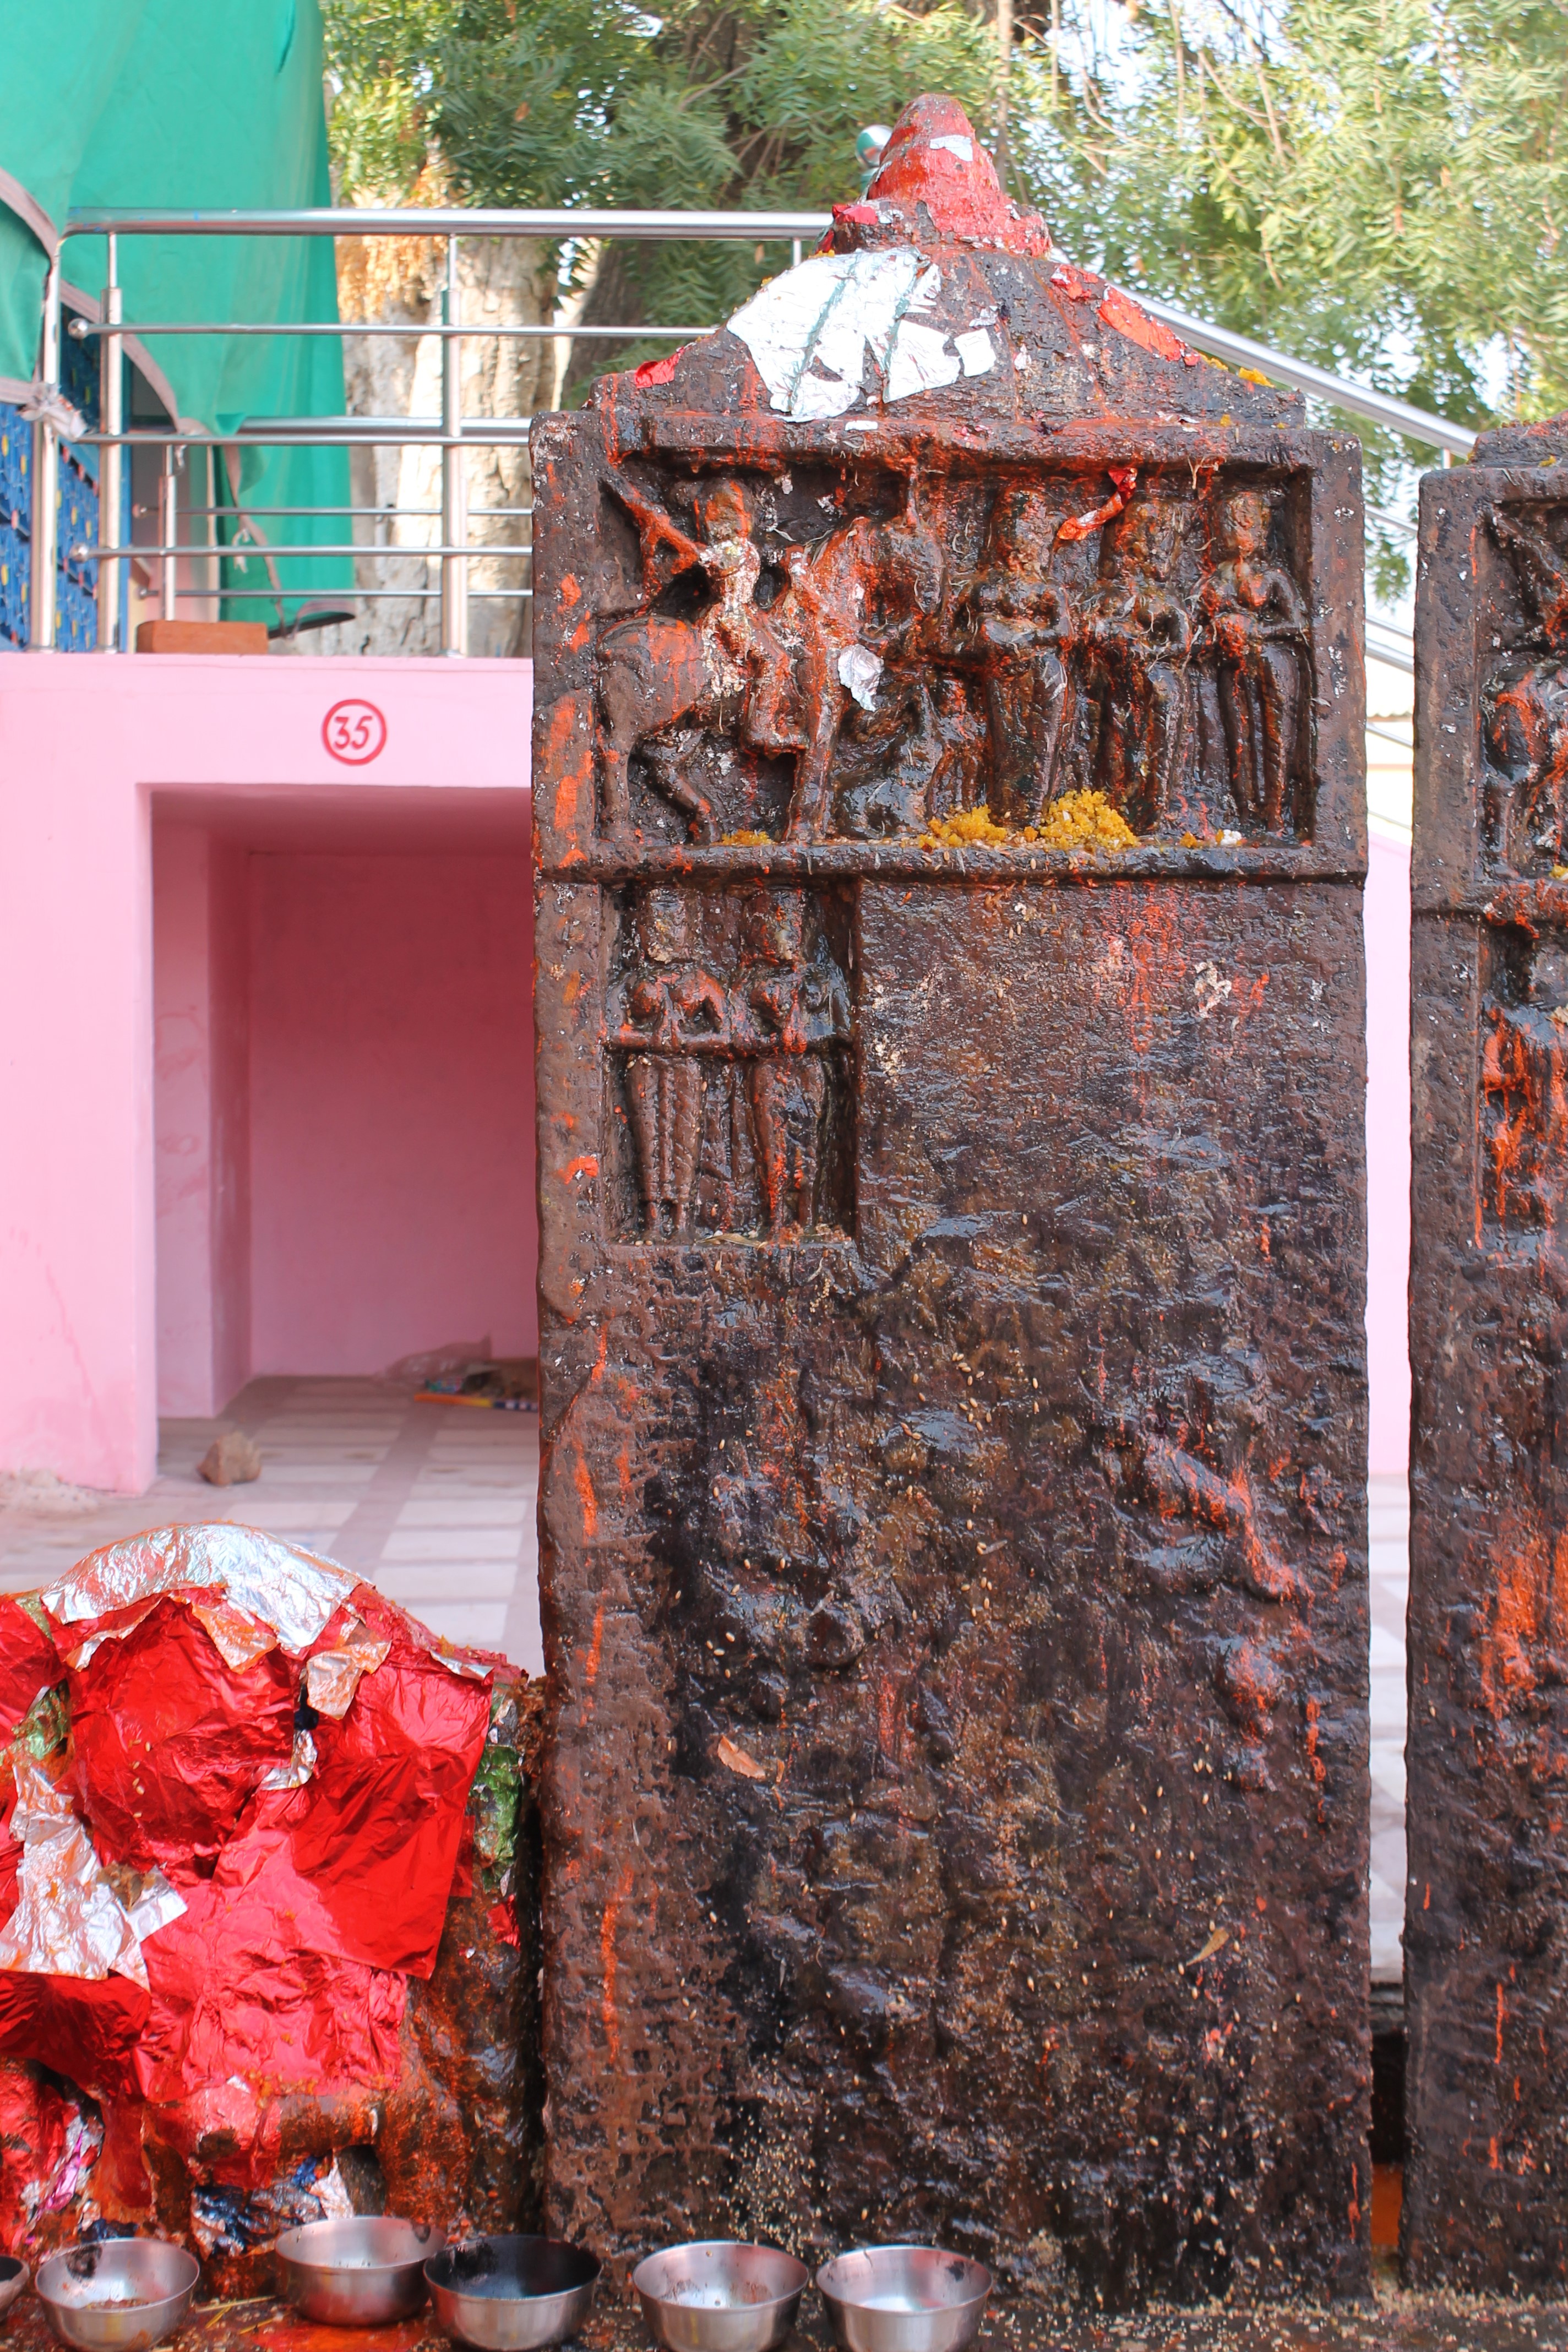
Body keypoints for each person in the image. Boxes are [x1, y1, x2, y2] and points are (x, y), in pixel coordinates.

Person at [609, 888, 727, 1235]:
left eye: (674, 923)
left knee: (684, 1139)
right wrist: (649, 1039)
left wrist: (688, 1041)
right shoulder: (633, 981)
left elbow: (731, 1033)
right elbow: (607, 1030)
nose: (665, 931)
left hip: (686, 1066)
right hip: (645, 1068)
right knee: (649, 1139)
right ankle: (652, 1218)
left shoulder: (700, 981)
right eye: (656, 923)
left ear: (688, 928)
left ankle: (681, 1220)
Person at [1201, 488, 1310, 833]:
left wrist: (1257, 629)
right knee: (1239, 738)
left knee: (1276, 738)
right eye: (1231, 525)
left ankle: (1276, 811)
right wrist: (1218, 631)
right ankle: (1246, 809)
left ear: (1260, 531)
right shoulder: (1217, 578)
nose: (1237, 534)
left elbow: (1298, 624)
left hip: (1272, 663)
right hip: (1233, 667)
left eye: (1245, 525)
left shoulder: (1274, 577)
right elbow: (1199, 626)